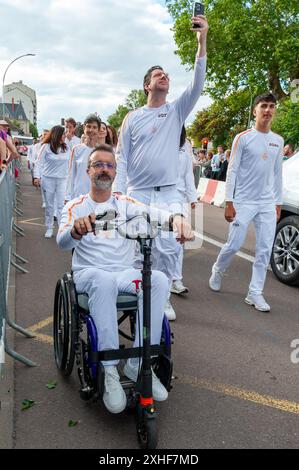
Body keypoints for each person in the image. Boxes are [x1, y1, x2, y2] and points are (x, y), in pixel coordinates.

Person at [57, 144, 193, 414]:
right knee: (103, 282)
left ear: (115, 172)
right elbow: (61, 242)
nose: (104, 169)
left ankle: (140, 363)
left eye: (109, 165)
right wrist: (74, 230)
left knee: (159, 280)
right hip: (89, 273)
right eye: (98, 164)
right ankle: (109, 371)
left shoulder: (124, 203)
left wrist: (179, 219)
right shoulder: (75, 206)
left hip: (123, 272)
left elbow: (157, 215)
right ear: (88, 171)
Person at [113, 13, 208, 320]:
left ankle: (163, 298)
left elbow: (197, 84)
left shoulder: (177, 110)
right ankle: (140, 295)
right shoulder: (132, 117)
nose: (164, 76)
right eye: (158, 74)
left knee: (168, 250)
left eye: (166, 74)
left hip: (168, 194)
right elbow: (122, 158)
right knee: (137, 249)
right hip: (137, 193)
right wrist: (120, 196)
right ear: (146, 85)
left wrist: (201, 40)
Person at [209, 92, 283, 312]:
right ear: (255, 110)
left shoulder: (278, 141)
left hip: (267, 203)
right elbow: (231, 171)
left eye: (271, 106)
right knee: (234, 244)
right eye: (263, 106)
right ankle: (218, 269)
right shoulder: (243, 137)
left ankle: (255, 293)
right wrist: (229, 201)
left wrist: (277, 203)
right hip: (243, 201)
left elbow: (278, 174)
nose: (268, 110)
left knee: (264, 250)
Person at [171, 126, 197, 295]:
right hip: (160, 198)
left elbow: (189, 175)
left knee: (179, 243)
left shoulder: (185, 151)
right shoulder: (159, 147)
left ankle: (176, 279)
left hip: (179, 199)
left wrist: (192, 197)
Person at [34, 125, 70, 238]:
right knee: (49, 205)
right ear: (57, 135)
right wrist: (36, 177)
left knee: (61, 206)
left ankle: (61, 229)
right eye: (63, 134)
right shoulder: (46, 147)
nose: (65, 136)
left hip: (62, 180)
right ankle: (49, 228)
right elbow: (38, 163)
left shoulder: (67, 148)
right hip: (48, 179)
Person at [65, 114, 102, 202]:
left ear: (98, 129)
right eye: (88, 126)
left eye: (94, 127)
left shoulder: (102, 151)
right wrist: (67, 196)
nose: (91, 130)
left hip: (97, 196)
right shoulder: (77, 149)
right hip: (78, 196)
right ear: (84, 127)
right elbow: (71, 174)